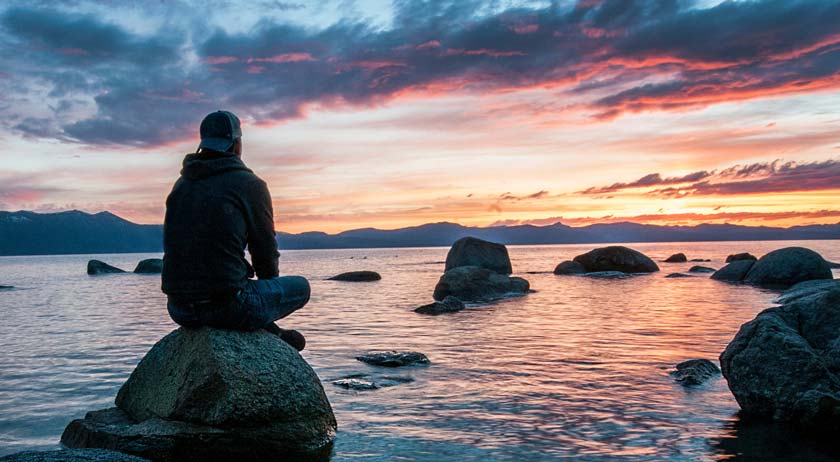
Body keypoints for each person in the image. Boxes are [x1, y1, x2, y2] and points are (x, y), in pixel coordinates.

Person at [161, 110, 309, 351]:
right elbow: (264, 250)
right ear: (237, 143)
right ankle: (268, 327)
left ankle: (268, 328)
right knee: (301, 287)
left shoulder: (181, 185)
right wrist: (265, 299)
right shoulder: (249, 185)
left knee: (238, 284)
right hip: (228, 307)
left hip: (179, 309)